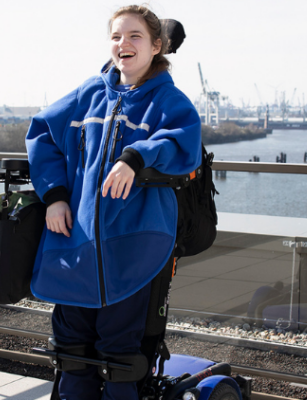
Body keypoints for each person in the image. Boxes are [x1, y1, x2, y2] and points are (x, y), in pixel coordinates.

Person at [25, 4, 201, 399]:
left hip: (134, 246)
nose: (124, 44)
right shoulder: (88, 94)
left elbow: (183, 143)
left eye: (135, 36)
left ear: (157, 46)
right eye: (117, 36)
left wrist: (135, 158)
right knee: (71, 352)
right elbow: (41, 135)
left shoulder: (169, 102)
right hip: (76, 242)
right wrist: (53, 197)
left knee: (119, 357)